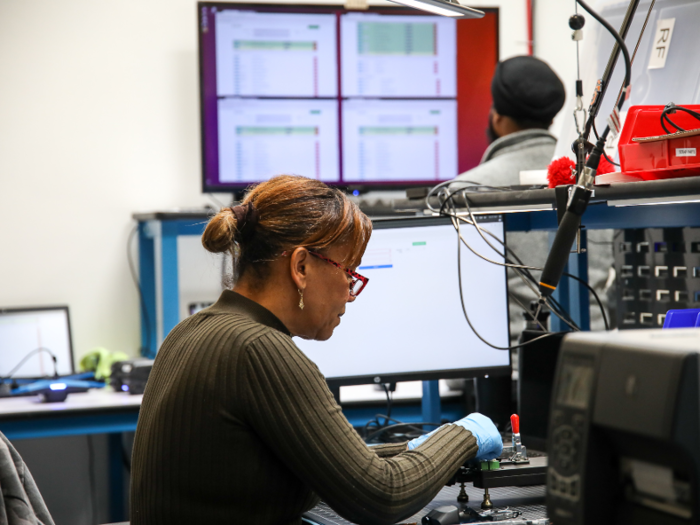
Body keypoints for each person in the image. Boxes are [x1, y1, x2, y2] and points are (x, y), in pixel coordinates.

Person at [130, 175, 503, 525]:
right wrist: (466, 433)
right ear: (301, 266)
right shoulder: (260, 349)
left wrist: (419, 449)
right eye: (349, 272)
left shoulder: (191, 331)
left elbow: (321, 465)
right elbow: (382, 495)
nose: (350, 294)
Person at [451, 56, 613, 338]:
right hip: (595, 361)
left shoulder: (463, 191)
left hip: (510, 370)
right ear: (551, 119)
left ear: (497, 118)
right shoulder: (591, 179)